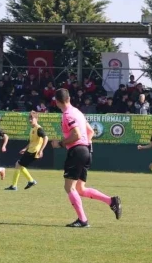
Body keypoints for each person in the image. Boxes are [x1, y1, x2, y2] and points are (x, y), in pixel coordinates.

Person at [51, 89, 122, 228]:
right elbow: (90, 132)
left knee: (69, 187)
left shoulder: (67, 115)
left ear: (57, 102)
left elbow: (76, 135)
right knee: (80, 189)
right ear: (69, 98)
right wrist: (86, 149)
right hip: (85, 151)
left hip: (77, 151)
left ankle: (82, 220)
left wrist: (60, 143)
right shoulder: (78, 112)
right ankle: (111, 201)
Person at [5, 111, 48, 191]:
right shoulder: (32, 129)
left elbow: (46, 138)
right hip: (30, 150)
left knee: (18, 164)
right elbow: (32, 142)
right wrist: (25, 148)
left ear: (36, 119)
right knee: (19, 165)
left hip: (34, 151)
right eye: (29, 118)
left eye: (32, 118)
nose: (30, 120)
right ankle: (30, 181)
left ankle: (16, 185)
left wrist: (41, 150)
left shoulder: (39, 129)